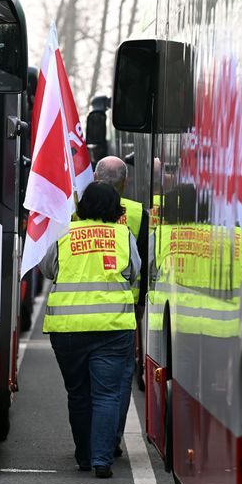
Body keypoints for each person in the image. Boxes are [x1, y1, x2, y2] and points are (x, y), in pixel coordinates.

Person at [40, 182, 140, 478]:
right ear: (115, 208)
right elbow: (134, 270)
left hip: (68, 329)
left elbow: (48, 269)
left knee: (79, 393)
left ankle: (83, 456)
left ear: (82, 206)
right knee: (107, 394)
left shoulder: (65, 233)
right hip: (113, 328)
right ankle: (101, 460)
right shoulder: (124, 235)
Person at [93, 156, 149, 456]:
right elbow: (142, 266)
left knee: (85, 387)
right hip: (124, 311)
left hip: (77, 313)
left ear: (93, 177)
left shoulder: (77, 212)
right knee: (117, 382)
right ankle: (110, 440)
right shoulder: (139, 214)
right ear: (125, 182)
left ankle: (90, 442)